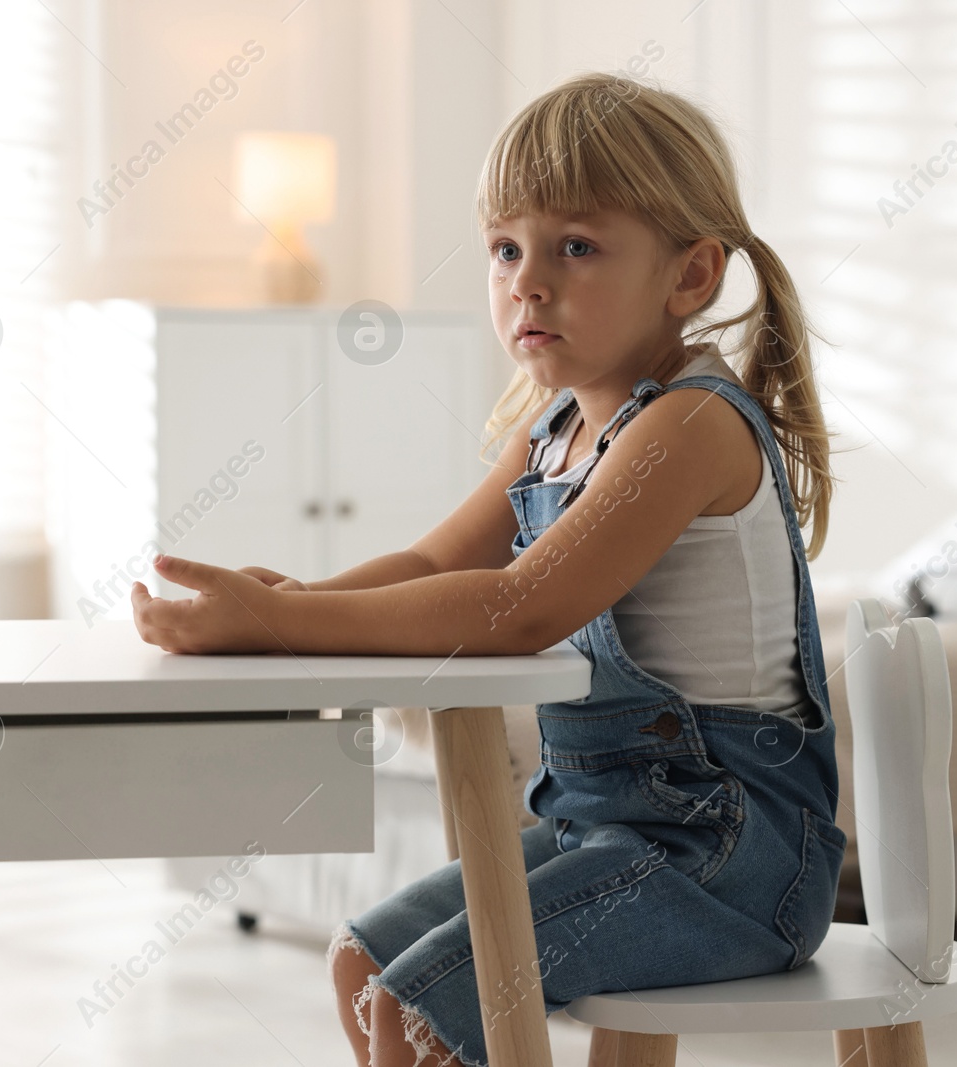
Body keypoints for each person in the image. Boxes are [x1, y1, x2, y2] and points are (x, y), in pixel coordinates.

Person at [131, 70, 849, 1067]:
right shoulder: (557, 429)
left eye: (576, 246)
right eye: (505, 248)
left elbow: (516, 607)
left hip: (729, 855)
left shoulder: (687, 424)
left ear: (690, 277)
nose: (527, 281)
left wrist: (277, 622)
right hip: (614, 831)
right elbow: (433, 559)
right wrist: (286, 600)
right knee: (360, 966)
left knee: (428, 998)